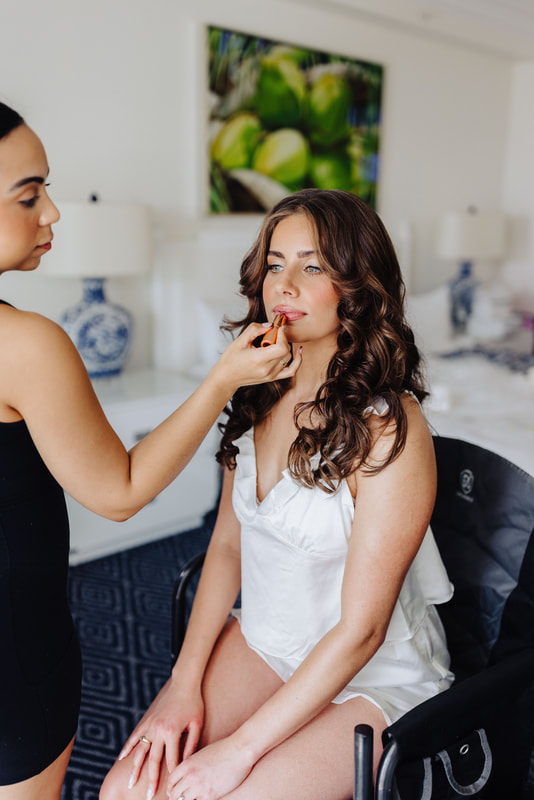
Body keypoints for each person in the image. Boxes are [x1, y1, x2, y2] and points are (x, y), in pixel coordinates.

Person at [100, 188, 454, 800]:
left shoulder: (389, 426)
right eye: (274, 264)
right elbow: (228, 548)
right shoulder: (257, 392)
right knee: (126, 791)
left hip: (370, 671)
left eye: (312, 266)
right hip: (269, 640)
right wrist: (181, 684)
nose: (283, 285)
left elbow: (362, 632)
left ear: (357, 286)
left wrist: (237, 753)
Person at [0, 101, 300, 800]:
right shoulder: (24, 346)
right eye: (28, 193)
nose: (53, 213)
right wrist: (221, 379)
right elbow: (121, 489)